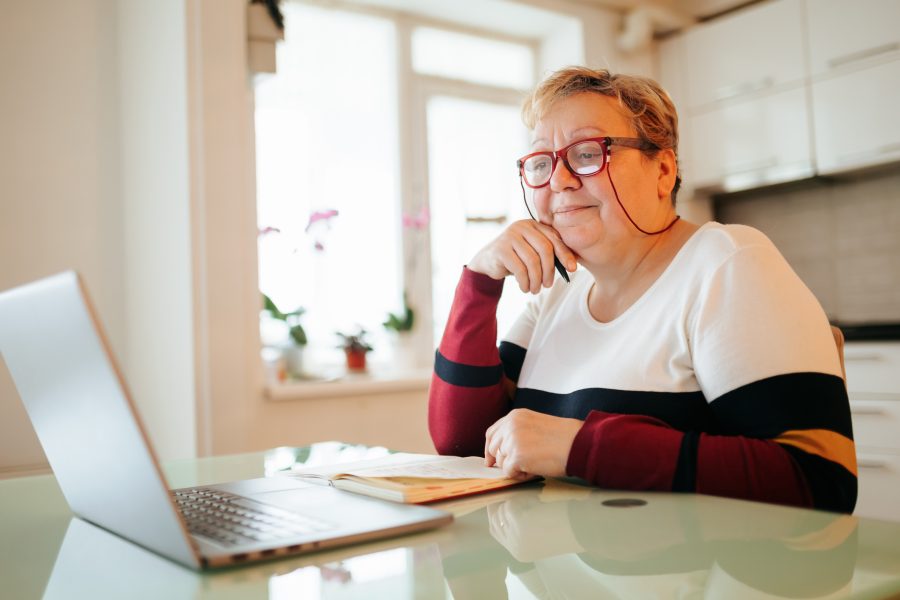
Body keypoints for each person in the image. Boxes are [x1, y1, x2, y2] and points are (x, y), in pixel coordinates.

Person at [428, 66, 856, 513]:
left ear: (663, 170)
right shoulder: (559, 292)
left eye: (588, 153)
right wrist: (479, 281)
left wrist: (581, 448)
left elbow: (820, 481)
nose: (558, 180)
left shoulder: (725, 263)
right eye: (540, 162)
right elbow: (461, 443)